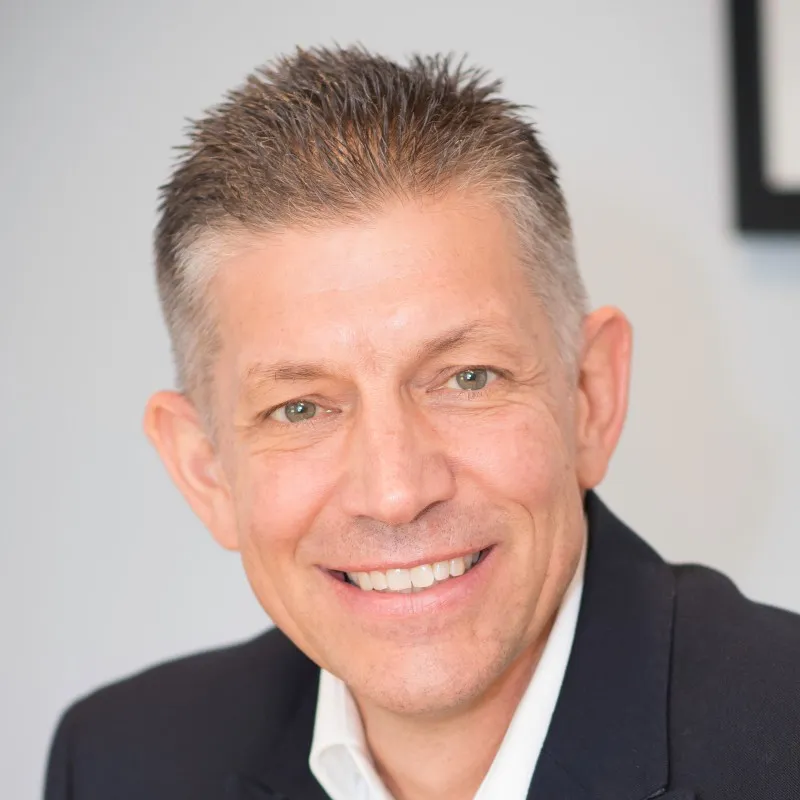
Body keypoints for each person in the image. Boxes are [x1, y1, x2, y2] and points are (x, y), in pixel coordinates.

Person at [44, 45, 800, 800]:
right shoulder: (120, 761)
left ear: (590, 397)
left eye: (467, 378)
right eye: (300, 408)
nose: (396, 491)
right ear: (204, 470)